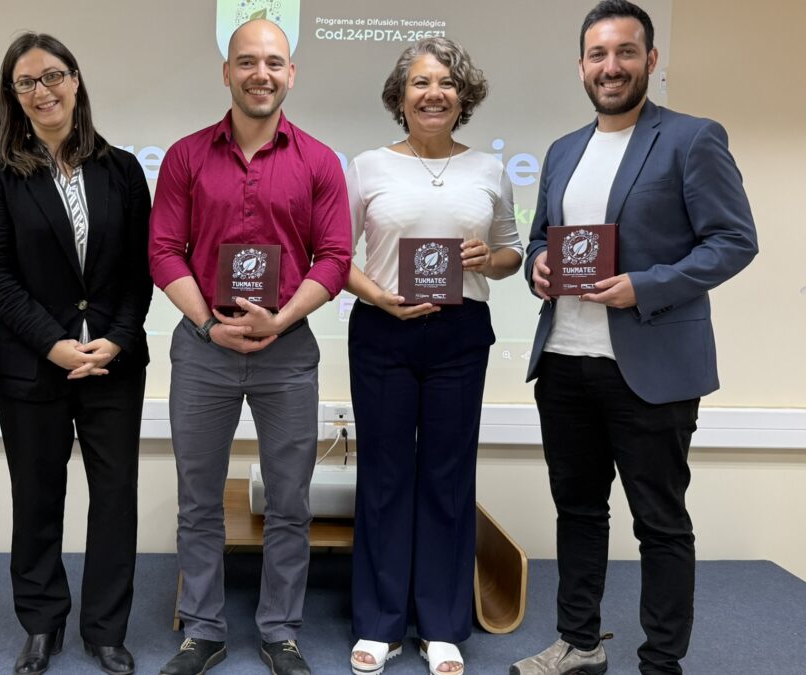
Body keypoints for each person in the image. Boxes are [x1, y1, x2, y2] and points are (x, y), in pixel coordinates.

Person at [510, 2, 758, 674]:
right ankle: (579, 642)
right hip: (564, 361)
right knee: (579, 512)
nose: (610, 66)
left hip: (648, 366)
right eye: (597, 54)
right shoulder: (563, 150)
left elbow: (735, 241)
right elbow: (543, 236)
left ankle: (660, 664)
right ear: (582, 66)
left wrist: (643, 285)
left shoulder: (692, 137)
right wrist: (537, 262)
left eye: (625, 52)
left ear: (651, 60)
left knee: (661, 523)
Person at [149, 18, 351, 675]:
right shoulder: (184, 156)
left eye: (273, 62)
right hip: (203, 346)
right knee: (200, 495)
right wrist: (209, 322)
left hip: (287, 349)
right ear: (227, 72)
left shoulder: (319, 161)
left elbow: (336, 257)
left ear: (290, 74)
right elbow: (162, 250)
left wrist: (281, 317)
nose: (260, 73)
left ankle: (281, 631)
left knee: (289, 500)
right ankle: (203, 630)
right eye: (246, 61)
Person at [0, 32, 153, 675]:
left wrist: (119, 339)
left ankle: (105, 629)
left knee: (114, 499)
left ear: (76, 80)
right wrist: (53, 343)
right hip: (30, 364)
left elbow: (140, 272)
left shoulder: (123, 169)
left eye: (53, 76)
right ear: (13, 96)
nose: (43, 91)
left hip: (113, 363)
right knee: (38, 497)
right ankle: (42, 624)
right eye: (27, 83)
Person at [344, 38, 522, 675]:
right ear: (400, 97)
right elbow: (337, 258)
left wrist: (487, 258)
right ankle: (379, 621)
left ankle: (441, 625)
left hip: (460, 335)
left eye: (446, 82)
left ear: (463, 96)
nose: (434, 93)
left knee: (448, 476)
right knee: (387, 475)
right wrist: (382, 298)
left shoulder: (490, 171)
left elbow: (511, 256)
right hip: (383, 332)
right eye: (420, 83)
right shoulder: (366, 166)